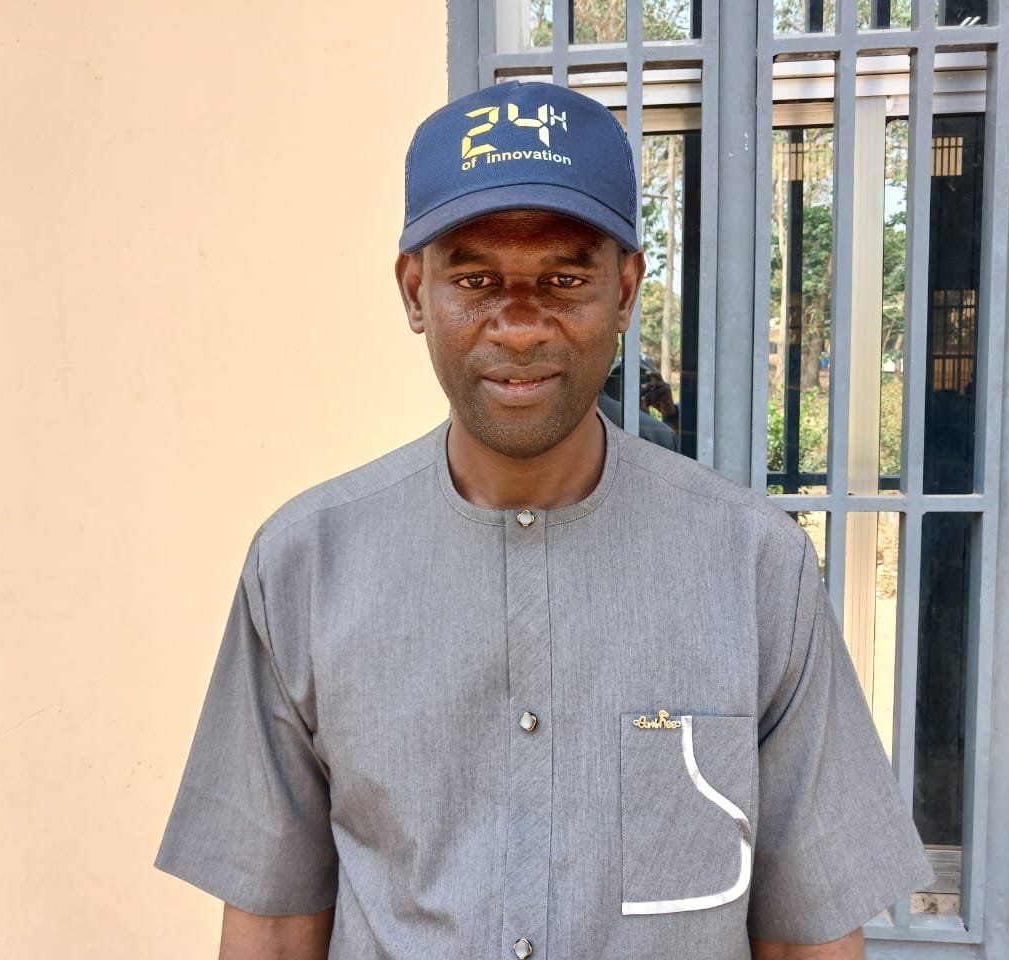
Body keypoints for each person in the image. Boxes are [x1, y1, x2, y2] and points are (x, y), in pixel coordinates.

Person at [157, 80, 933, 960]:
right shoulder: (303, 565)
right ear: (415, 292)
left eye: (563, 279)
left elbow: (806, 938)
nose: (521, 327)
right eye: (475, 280)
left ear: (626, 289)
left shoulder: (754, 568)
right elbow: (273, 922)